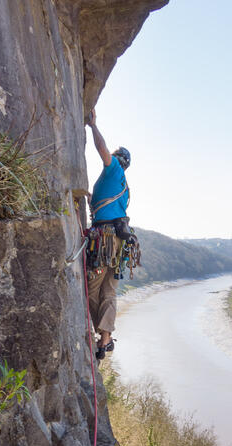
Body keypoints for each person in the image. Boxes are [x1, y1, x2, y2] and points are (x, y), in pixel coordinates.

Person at [87, 108, 132, 360]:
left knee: (92, 287)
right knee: (109, 291)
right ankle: (105, 339)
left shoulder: (113, 169)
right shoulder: (125, 188)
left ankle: (100, 332)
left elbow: (102, 149)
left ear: (118, 159)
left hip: (103, 239)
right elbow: (111, 208)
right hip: (118, 242)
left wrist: (93, 126)